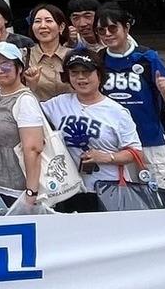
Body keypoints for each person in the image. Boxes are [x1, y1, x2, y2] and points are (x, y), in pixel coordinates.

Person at [39, 51, 141, 213]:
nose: (81, 78)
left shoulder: (117, 112)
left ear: (99, 74)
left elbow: (136, 153)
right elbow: (31, 113)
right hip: (69, 190)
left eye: (86, 72)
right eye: (74, 73)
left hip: (108, 190)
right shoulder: (58, 104)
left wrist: (107, 157)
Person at [95, 4, 165, 190]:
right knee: (125, 199)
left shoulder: (147, 57)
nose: (107, 34)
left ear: (126, 27)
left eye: (112, 28)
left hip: (149, 139)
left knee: (159, 195)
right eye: (101, 30)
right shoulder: (98, 61)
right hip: (114, 145)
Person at [0, 41, 45, 211]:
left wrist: (31, 193)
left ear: (19, 69)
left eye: (6, 65)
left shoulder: (24, 101)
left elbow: (33, 149)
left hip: (17, 189)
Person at [24, 4, 72, 101]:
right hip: (38, 113)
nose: (43, 26)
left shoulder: (74, 56)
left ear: (61, 27)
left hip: (72, 114)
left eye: (49, 21)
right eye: (37, 21)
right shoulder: (24, 56)